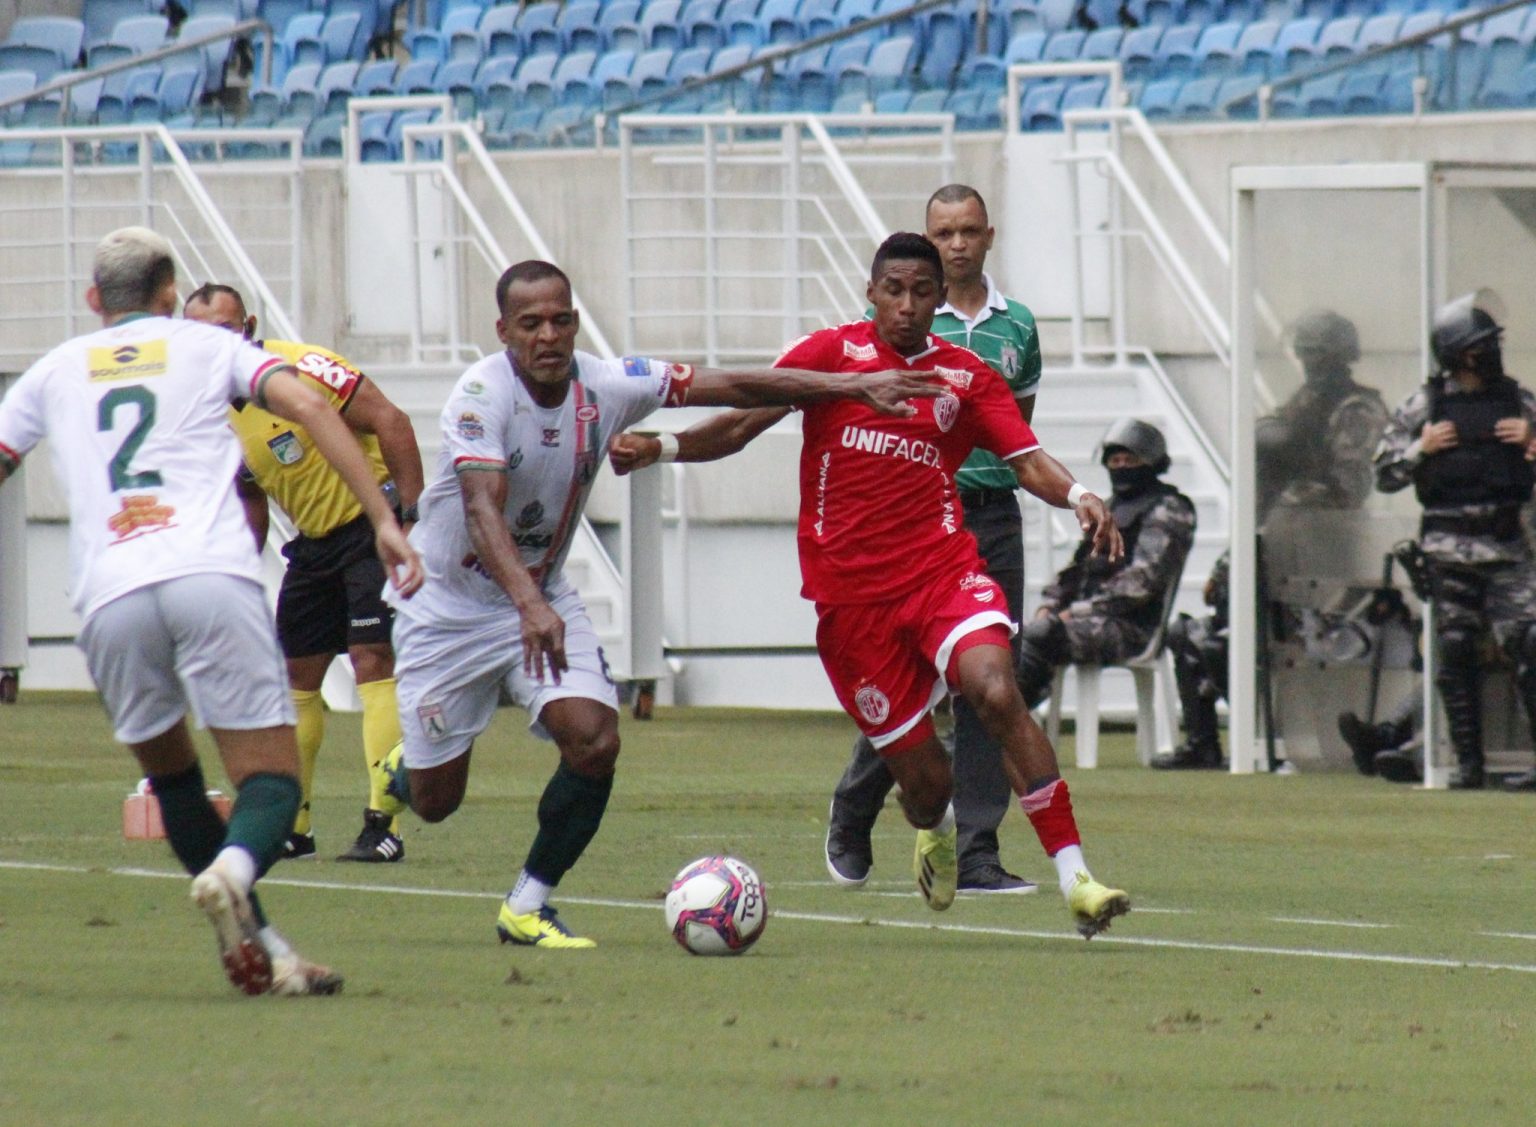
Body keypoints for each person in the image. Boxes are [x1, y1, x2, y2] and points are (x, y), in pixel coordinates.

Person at [377, 259, 942, 949]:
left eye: (560, 319)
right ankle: (404, 770)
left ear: (576, 322)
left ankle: (527, 903)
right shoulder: (479, 397)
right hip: (451, 610)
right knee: (436, 803)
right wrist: (525, 602)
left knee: (595, 740)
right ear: (503, 331)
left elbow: (734, 383)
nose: (548, 335)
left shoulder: (609, 383)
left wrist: (850, 384)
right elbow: (481, 509)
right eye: (530, 324)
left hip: (542, 598)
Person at [611, 233, 1132, 939]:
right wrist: (662, 445)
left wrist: (1078, 496)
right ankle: (936, 827)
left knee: (996, 688)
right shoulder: (832, 355)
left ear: (941, 298)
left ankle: (1077, 878)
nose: (909, 306)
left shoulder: (966, 377)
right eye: (895, 290)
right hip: (853, 603)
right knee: (926, 785)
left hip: (941, 570)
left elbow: (1025, 457)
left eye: (924, 292)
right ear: (871, 290)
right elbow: (739, 422)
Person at [0, 227, 423, 994]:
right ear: (172, 297)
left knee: (174, 780)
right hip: (207, 574)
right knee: (270, 780)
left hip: (110, 594)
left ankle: (268, 948)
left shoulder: (53, 371)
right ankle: (234, 868)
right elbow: (311, 405)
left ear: (95, 300)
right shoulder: (209, 348)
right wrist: (384, 516)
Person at [822, 184, 1043, 895]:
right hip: (910, 520)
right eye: (943, 231)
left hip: (991, 514)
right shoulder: (899, 312)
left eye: (968, 231)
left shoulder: (1019, 327)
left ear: (988, 237)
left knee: (990, 684)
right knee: (907, 681)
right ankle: (856, 804)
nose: (956, 244)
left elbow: (1011, 422)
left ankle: (975, 849)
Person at [184, 283, 423, 864]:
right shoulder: (209, 407)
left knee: (371, 659)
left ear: (250, 326)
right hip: (313, 546)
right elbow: (252, 497)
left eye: (225, 329)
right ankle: (295, 825)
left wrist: (416, 519)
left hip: (370, 530)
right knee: (295, 675)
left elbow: (391, 420)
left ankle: (382, 825)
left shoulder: (302, 368)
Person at [1157, 310, 1386, 770]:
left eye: (1318, 352)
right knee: (1197, 635)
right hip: (1279, 547)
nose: (1309, 361)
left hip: (1327, 556)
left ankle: (1291, 741)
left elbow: (1347, 488)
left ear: (1341, 356)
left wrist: (1282, 506)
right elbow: (1267, 478)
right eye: (1304, 352)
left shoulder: (1357, 409)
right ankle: (1209, 742)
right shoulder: (1303, 402)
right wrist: (1237, 554)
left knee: (1283, 647)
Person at [1373, 292, 1536, 790]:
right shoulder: (1425, 405)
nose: (1487, 354)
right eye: (1476, 347)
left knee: (1531, 644)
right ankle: (1468, 766)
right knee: (1455, 648)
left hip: (1509, 546)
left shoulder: (1520, 402)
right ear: (1455, 353)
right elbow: (1384, 474)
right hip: (1449, 549)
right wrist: (1421, 449)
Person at [1013, 419, 1196, 716]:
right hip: (1091, 620)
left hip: (1134, 627)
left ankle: (995, 729)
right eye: (1115, 460)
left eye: (1130, 460)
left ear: (1152, 463)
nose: (1121, 466)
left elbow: (1143, 582)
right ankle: (994, 729)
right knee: (1025, 634)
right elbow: (1077, 569)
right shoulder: (1108, 508)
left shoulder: (1169, 508)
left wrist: (1077, 611)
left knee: (1042, 635)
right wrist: (1050, 604)